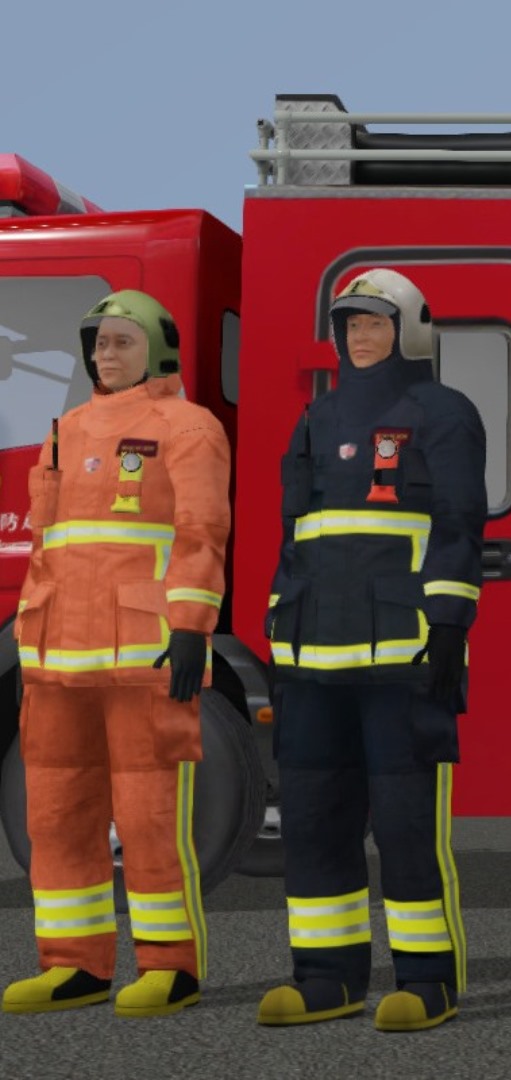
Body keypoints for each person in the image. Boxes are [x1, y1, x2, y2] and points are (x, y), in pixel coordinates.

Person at [256, 268, 486, 1033]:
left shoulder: (445, 413)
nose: (360, 335)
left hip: (403, 656)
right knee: (316, 820)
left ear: (411, 328)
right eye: (350, 322)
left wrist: (450, 628)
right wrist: (280, 644)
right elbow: (294, 535)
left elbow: (458, 525)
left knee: (405, 824)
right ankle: (326, 977)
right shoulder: (316, 419)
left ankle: (426, 982)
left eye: (376, 322)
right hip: (314, 656)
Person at [3, 290, 230, 1018]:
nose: (104, 352)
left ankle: (170, 967)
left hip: (145, 656)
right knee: (57, 816)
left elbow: (201, 532)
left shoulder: (189, 426)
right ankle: (74, 964)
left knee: (149, 814)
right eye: (97, 341)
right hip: (58, 661)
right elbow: (47, 545)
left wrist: (194, 624)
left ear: (159, 349)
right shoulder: (66, 429)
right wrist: (28, 647)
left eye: (121, 340)